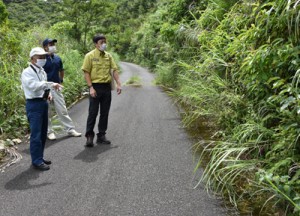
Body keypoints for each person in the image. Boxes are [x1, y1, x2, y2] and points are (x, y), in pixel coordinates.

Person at [21, 47, 63, 171]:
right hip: (34, 104)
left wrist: (48, 92)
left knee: (43, 132)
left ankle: (40, 157)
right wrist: (50, 84)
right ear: (32, 58)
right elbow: (33, 86)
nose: (42, 59)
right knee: (36, 134)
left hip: (43, 102)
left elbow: (43, 86)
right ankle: (36, 161)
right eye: (40, 57)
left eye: (44, 57)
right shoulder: (27, 72)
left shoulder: (42, 71)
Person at [81, 34, 122, 147]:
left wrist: (118, 83)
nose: (104, 44)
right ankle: (89, 136)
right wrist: (91, 87)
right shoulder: (89, 56)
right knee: (93, 113)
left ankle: (101, 135)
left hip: (106, 87)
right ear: (96, 44)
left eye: (105, 41)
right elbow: (86, 72)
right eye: (101, 42)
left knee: (105, 113)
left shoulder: (108, 56)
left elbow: (114, 70)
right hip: (95, 87)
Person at [42, 38, 81, 140]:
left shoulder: (57, 58)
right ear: (45, 47)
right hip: (45, 88)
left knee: (62, 109)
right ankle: (49, 132)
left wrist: (61, 80)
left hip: (57, 87)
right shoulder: (42, 59)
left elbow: (61, 70)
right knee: (47, 111)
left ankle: (70, 129)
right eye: (50, 44)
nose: (53, 46)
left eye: (53, 44)